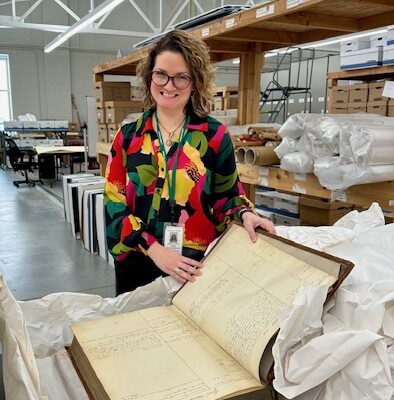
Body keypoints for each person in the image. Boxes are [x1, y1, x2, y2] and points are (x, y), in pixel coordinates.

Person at [104, 29, 275, 295]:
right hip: (137, 260)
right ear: (150, 76)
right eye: (161, 74)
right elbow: (113, 203)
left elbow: (227, 195)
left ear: (194, 82)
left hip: (195, 267)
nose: (169, 86)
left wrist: (245, 214)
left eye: (181, 78)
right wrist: (153, 248)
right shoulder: (127, 137)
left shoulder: (214, 136)